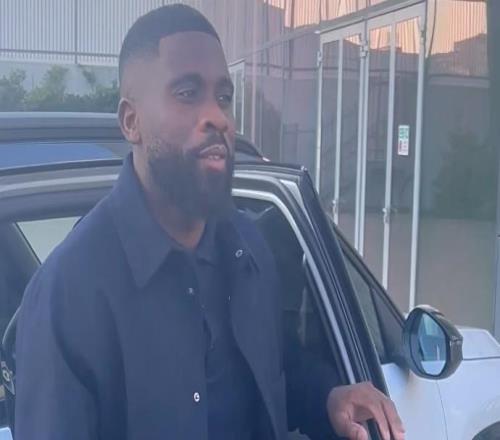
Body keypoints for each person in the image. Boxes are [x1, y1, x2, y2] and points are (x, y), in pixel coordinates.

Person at [15, 4, 405, 440]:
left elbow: (273, 371)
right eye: (187, 93)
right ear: (131, 121)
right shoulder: (69, 295)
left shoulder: (248, 249)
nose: (217, 116)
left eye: (223, 97)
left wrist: (327, 398)